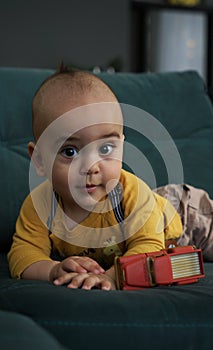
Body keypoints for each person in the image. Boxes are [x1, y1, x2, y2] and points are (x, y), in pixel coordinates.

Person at [7, 66, 182, 290]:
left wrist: (111, 277)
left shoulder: (132, 195)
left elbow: (149, 246)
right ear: (39, 161)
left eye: (106, 148)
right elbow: (23, 254)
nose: (91, 167)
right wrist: (51, 270)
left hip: (181, 215)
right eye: (70, 151)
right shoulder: (40, 205)